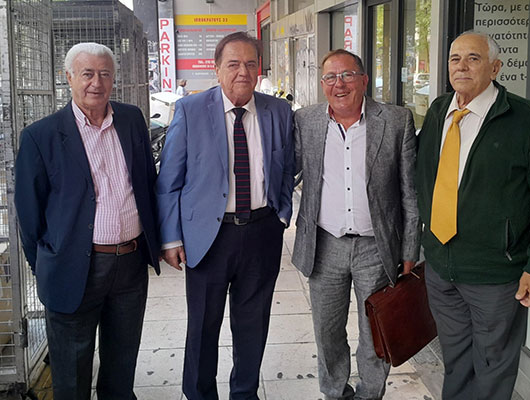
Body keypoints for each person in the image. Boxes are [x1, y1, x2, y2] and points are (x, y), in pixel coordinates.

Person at [416, 31, 530, 400]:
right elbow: (424, 180)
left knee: (493, 369)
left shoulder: (526, 120)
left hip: (496, 277)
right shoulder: (439, 111)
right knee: (456, 363)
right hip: (441, 270)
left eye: (473, 58)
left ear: (495, 67)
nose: (462, 66)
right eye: (455, 59)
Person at [14, 42, 160, 400]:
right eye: (87, 74)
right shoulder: (41, 136)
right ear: (68, 77)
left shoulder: (131, 120)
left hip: (130, 265)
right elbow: (29, 216)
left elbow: (147, 182)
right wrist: (49, 264)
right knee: (71, 373)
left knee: (122, 363)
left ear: (114, 79)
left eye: (105, 74)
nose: (97, 82)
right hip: (73, 268)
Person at [155, 32, 294, 400]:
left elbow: (286, 167)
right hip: (208, 238)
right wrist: (171, 237)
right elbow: (169, 180)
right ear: (216, 70)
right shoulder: (190, 110)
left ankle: (244, 394)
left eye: (250, 64)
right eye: (233, 64)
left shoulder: (278, 111)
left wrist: (281, 216)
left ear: (259, 70)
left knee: (253, 326)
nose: (242, 72)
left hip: (262, 232)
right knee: (203, 327)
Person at [292, 49, 420, 400]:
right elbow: (286, 171)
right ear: (322, 84)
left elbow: (410, 192)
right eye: (331, 77)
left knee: (375, 332)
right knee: (327, 331)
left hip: (375, 248)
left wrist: (410, 248)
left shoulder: (396, 121)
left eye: (347, 75)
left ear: (364, 80)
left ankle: (369, 394)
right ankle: (335, 392)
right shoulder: (306, 120)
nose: (340, 84)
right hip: (325, 245)